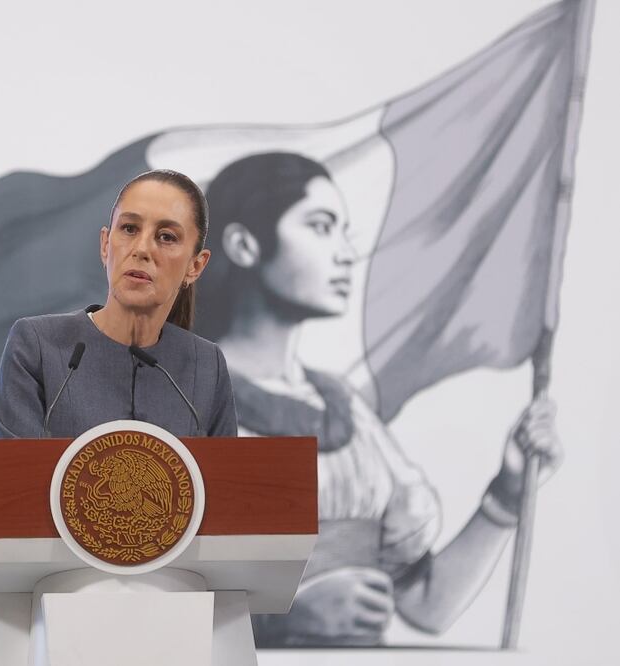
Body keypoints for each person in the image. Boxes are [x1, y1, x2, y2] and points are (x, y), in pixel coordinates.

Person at [196, 152, 562, 646]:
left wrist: (508, 494)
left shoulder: (343, 407)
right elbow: (120, 612)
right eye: (321, 227)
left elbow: (425, 605)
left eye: (344, 231)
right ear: (244, 244)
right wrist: (276, 621)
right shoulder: (181, 401)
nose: (346, 253)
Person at [0, 169, 238, 439]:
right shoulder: (37, 345)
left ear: (196, 266)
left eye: (166, 236)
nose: (142, 249)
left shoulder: (207, 366)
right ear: (106, 245)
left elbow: (225, 479)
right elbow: (16, 475)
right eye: (129, 229)